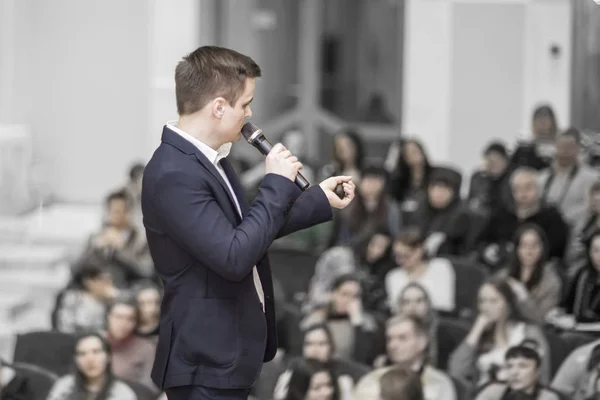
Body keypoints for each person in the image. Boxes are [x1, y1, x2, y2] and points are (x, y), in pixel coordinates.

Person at [141, 45, 355, 400]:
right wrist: (275, 182)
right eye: (245, 103)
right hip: (204, 360)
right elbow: (234, 256)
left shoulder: (213, 160)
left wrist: (316, 198)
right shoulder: (172, 173)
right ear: (219, 107)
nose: (250, 113)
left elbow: (248, 227)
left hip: (225, 353)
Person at [46, 332, 136, 400]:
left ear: (108, 356)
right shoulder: (64, 386)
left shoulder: (123, 394)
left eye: (96, 352)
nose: (90, 359)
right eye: (82, 353)